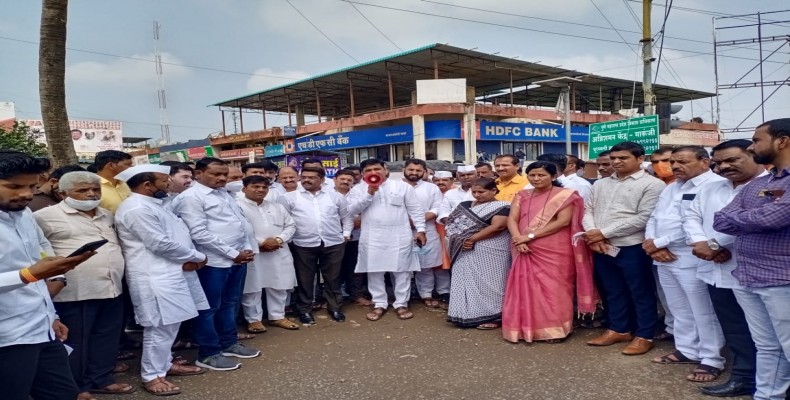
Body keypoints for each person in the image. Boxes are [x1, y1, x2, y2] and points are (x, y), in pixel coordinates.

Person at [0, 151, 96, 400]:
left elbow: (40, 249)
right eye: (14, 186)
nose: (26, 194)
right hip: (7, 338)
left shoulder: (23, 214)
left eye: (32, 186)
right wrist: (29, 275)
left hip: (41, 328)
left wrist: (51, 315)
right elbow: (30, 272)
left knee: (63, 394)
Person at [33, 171, 133, 399]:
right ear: (63, 193)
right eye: (82, 190)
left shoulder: (106, 215)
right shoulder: (44, 217)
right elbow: (38, 251)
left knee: (106, 337)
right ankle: (77, 386)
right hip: (75, 291)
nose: (91, 194)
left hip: (111, 287)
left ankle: (101, 378)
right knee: (76, 341)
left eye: (95, 189)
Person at [115, 165, 210, 396]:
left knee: (171, 323)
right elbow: (160, 243)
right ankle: (152, 376)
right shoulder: (136, 208)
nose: (169, 183)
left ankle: (165, 365)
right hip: (154, 276)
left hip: (172, 272)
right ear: (147, 185)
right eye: (164, 179)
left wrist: (190, 258)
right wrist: (198, 257)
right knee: (160, 326)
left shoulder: (155, 203)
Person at [713, 118, 790, 400]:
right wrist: (756, 217)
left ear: (782, 141)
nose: (752, 146)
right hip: (748, 276)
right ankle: (767, 396)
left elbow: (774, 218)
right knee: (767, 346)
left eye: (757, 140)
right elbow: (720, 220)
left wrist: (745, 217)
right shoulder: (761, 183)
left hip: (782, 278)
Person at [684, 139, 764, 397]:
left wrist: (715, 244)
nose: (724, 167)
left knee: (766, 333)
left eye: (732, 160)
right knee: (734, 327)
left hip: (754, 271)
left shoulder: (769, 187)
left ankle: (770, 381)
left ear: (753, 155)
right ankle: (744, 377)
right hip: (714, 270)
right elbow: (691, 216)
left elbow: (755, 222)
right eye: (718, 163)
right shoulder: (712, 187)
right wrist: (703, 244)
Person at [644, 146, 726, 383]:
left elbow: (696, 224)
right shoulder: (672, 187)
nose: (675, 166)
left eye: (682, 162)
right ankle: (687, 349)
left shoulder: (715, 185)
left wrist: (659, 243)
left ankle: (712, 358)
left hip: (693, 257)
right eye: (673, 162)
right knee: (678, 308)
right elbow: (655, 217)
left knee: (703, 310)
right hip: (663, 257)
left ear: (704, 162)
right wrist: (651, 243)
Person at [170, 157, 260, 371]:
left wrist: (246, 248)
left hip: (236, 259)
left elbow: (240, 223)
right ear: (198, 174)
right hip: (212, 262)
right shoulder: (191, 197)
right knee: (208, 308)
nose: (222, 178)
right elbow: (198, 233)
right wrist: (233, 253)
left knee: (229, 303)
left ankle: (228, 343)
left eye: (224, 174)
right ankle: (208, 353)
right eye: (216, 174)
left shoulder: (223, 193)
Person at [583, 141, 665, 356]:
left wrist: (603, 233)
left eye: (623, 158)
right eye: (613, 158)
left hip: (632, 246)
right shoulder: (600, 184)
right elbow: (588, 210)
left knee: (640, 291)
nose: (616, 162)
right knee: (612, 290)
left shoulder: (653, 185)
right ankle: (619, 329)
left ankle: (644, 335)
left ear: (640, 159)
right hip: (602, 246)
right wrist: (593, 234)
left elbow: (644, 217)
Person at [501, 162, 598, 342]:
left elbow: (563, 221)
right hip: (522, 245)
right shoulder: (522, 195)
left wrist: (529, 236)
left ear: (553, 176)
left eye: (541, 175)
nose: (536, 179)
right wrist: (518, 239)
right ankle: (527, 329)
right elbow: (512, 220)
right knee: (525, 287)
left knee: (555, 289)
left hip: (554, 248)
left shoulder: (564, 195)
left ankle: (556, 330)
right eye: (532, 175)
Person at [347, 159, 426, 322]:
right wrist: (369, 193)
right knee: (374, 270)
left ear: (385, 169)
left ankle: (401, 303)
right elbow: (352, 210)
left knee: (402, 270)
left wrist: (421, 230)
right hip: (372, 236)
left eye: (377, 169)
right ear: (362, 174)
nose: (373, 173)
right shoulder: (358, 189)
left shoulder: (402, 187)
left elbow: (416, 210)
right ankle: (379, 303)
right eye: (368, 171)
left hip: (400, 235)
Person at [278, 167, 351, 324]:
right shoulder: (289, 197)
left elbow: (346, 217)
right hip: (302, 243)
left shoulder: (335, 196)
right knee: (305, 278)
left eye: (311, 177)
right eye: (304, 177)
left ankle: (335, 308)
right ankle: (304, 310)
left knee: (333, 277)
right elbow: (284, 220)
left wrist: (346, 234)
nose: (306, 180)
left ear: (322, 180)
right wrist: (289, 240)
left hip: (333, 242)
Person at [445, 177, 510, 329]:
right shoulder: (465, 205)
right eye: (474, 192)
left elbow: (498, 227)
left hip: (491, 252)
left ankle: (493, 316)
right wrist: (462, 240)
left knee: (491, 283)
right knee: (464, 281)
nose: (477, 195)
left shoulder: (503, 206)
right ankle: (465, 313)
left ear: (493, 190)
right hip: (463, 251)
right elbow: (451, 224)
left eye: (481, 192)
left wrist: (472, 239)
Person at [237, 176, 300, 331]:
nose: (260, 190)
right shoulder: (237, 207)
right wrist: (261, 243)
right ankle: (254, 320)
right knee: (252, 287)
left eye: (264, 187)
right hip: (252, 252)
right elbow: (238, 229)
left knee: (279, 284)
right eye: (255, 186)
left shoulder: (277, 207)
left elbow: (291, 225)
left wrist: (278, 239)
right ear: (244, 189)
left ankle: (277, 316)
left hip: (278, 250)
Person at [403, 159, 448, 308]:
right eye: (411, 169)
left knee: (426, 264)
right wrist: (406, 222)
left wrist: (417, 221)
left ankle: (426, 294)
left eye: (418, 170)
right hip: (400, 230)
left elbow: (438, 207)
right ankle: (403, 297)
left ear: (424, 172)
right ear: (404, 170)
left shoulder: (431, 188)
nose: (414, 173)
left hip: (427, 229)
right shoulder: (396, 187)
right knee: (401, 265)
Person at [334, 169, 371, 306]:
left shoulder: (358, 194)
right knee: (334, 269)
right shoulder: (327, 195)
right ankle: (334, 297)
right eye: (342, 179)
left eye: (349, 180)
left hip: (356, 237)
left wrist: (359, 219)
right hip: (334, 238)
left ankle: (356, 295)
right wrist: (343, 224)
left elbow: (366, 209)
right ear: (335, 180)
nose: (345, 182)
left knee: (355, 267)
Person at [93, 150, 133, 214]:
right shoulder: (92, 188)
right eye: (128, 165)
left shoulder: (125, 183)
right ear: (111, 165)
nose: (132, 167)